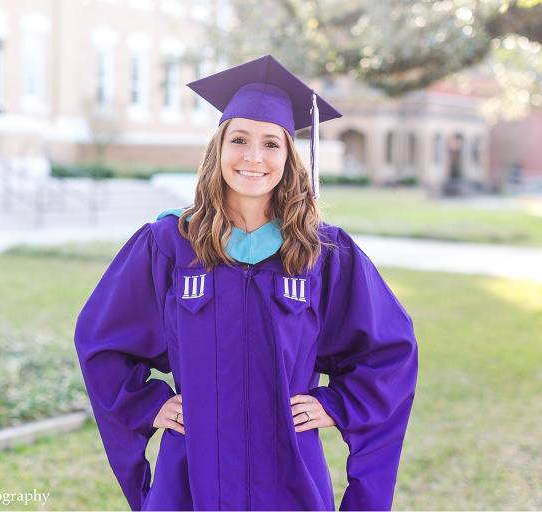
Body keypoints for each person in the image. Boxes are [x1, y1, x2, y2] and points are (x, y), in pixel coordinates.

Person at [74, 55, 418, 511]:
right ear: (218, 150)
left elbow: (389, 351)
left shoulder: (325, 254)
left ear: (289, 157)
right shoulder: (168, 246)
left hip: (290, 480)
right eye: (239, 139)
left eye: (271, 144)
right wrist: (145, 403)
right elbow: (100, 338)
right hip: (192, 476)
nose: (254, 157)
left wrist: (339, 405)